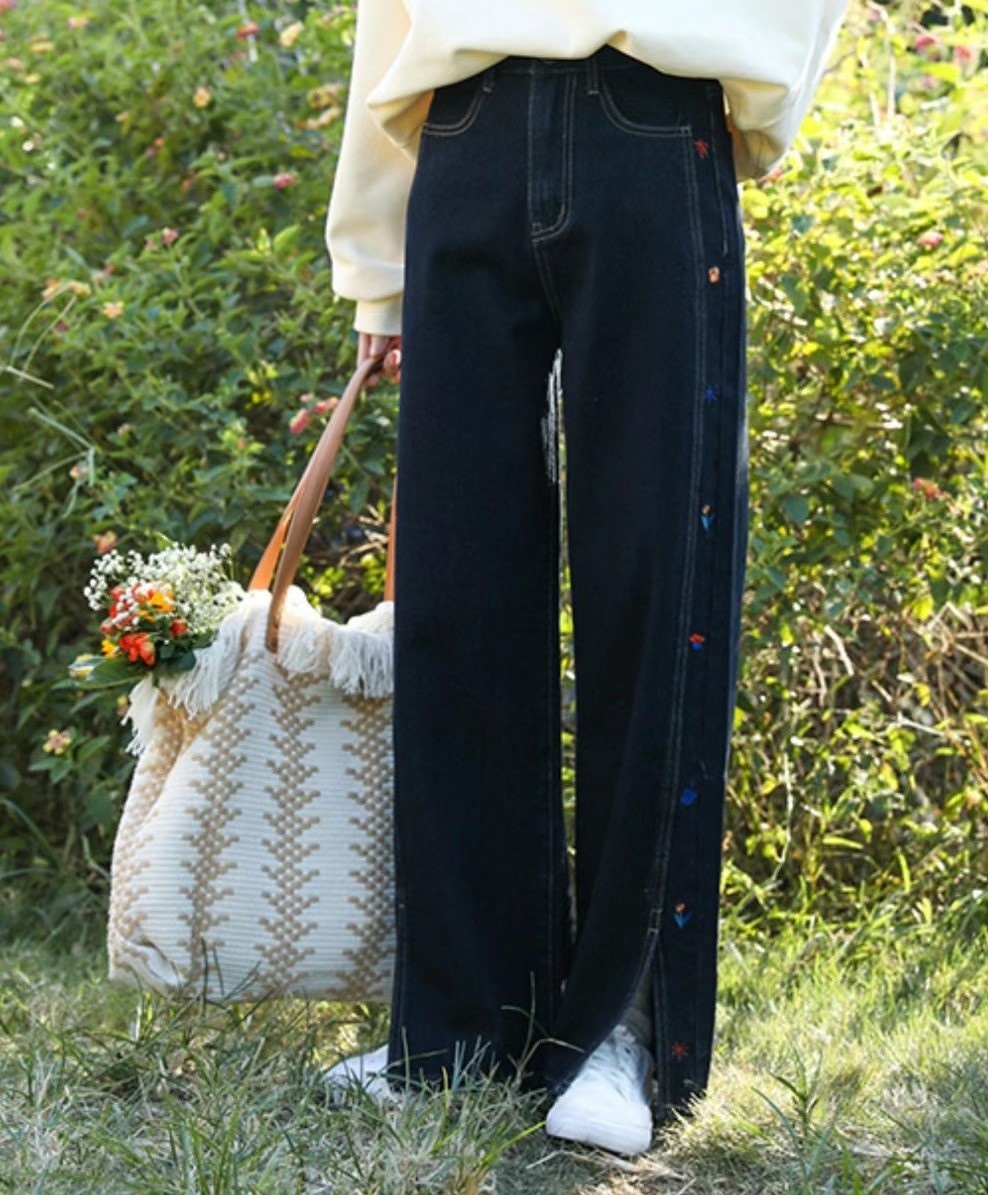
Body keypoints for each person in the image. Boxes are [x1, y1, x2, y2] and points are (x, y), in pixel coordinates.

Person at [321, 0, 849, 1158]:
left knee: (653, 587)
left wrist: (750, 101)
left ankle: (619, 1027)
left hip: (653, 123)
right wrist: (374, 264)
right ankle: (459, 1029)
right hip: (461, 134)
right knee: (457, 600)